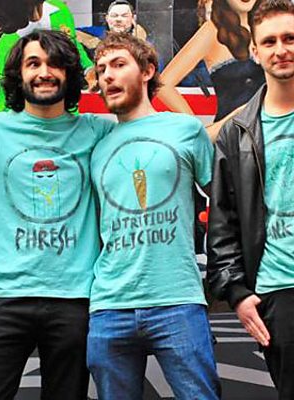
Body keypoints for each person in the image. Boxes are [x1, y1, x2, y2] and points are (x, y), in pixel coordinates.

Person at [0, 29, 114, 400]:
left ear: (70, 74)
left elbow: (158, 132)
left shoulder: (98, 130)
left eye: (55, 64)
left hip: (75, 298)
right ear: (19, 74)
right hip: (5, 293)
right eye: (33, 63)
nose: (44, 72)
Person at [88, 32, 221, 400]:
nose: (108, 76)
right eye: (102, 69)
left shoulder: (186, 129)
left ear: (147, 71)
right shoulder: (97, 145)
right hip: (109, 305)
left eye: (119, 65)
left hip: (177, 299)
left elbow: (223, 205)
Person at [207, 0, 294, 398]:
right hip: (277, 291)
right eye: (270, 41)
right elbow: (222, 223)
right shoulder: (237, 131)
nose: (281, 49)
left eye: (290, 38)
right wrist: (238, 295)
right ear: (255, 51)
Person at [157, 0, 264, 141]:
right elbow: (163, 84)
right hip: (231, 139)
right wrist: (199, 128)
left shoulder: (274, 26)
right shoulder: (212, 31)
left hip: (277, 133)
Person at [0, 0, 94, 111]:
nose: (37, 17)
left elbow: (74, 47)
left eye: (38, 6)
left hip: (67, 108)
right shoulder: (6, 45)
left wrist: (89, 69)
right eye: (30, 10)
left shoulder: (60, 10)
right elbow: (4, 101)